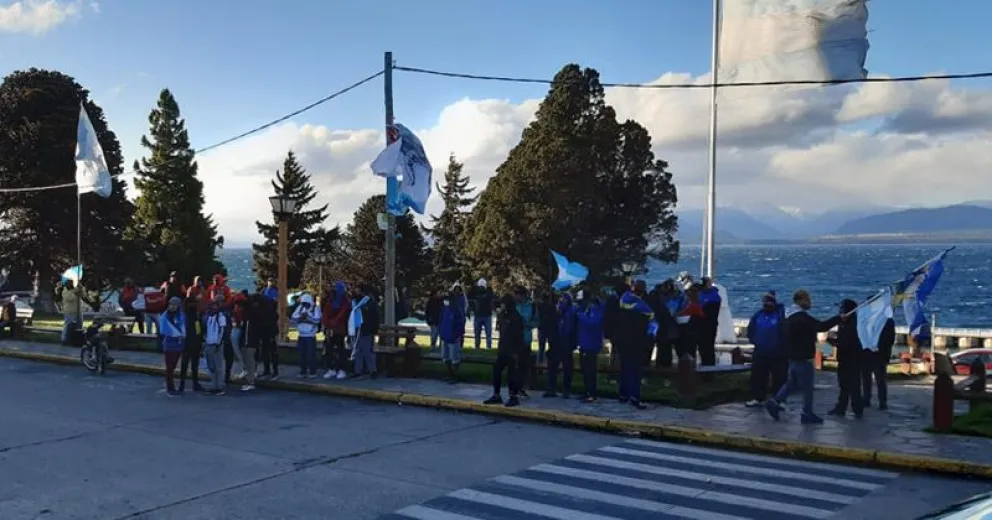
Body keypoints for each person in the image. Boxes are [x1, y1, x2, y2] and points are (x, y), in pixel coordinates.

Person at [765, 289, 841, 424]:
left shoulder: (787, 316)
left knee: (791, 383)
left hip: (792, 356)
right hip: (803, 356)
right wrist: (839, 318)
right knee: (807, 388)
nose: (810, 303)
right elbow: (821, 326)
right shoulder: (802, 318)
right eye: (808, 300)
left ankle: (775, 401)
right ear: (801, 300)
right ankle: (807, 413)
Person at [615, 281, 655, 410]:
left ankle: (623, 394)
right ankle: (634, 397)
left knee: (625, 367)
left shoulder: (622, 301)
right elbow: (652, 325)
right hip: (637, 341)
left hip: (622, 339)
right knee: (635, 370)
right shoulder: (644, 308)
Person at [745, 292, 787, 407]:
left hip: (778, 352)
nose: (766, 304)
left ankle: (779, 400)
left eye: (768, 302)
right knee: (758, 376)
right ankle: (758, 398)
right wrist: (755, 341)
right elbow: (750, 329)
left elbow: (785, 332)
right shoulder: (758, 315)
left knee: (779, 377)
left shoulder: (780, 315)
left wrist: (782, 346)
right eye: (764, 302)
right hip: (760, 351)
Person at [484, 294, 525, 407]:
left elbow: (518, 336)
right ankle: (497, 394)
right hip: (503, 348)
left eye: (503, 303)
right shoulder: (504, 315)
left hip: (512, 350)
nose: (501, 305)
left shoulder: (515, 317)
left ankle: (513, 396)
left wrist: (516, 352)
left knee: (512, 374)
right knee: (497, 370)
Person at [829, 299, 864, 418]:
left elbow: (846, 342)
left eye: (841, 309)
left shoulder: (852, 324)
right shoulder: (845, 322)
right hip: (845, 358)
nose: (840, 311)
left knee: (852, 385)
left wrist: (831, 340)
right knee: (844, 385)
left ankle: (856, 408)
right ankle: (842, 407)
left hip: (851, 358)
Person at [546, 292, 577, 398]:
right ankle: (551, 388)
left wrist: (573, 343)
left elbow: (574, 328)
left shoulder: (572, 311)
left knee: (567, 367)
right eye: (560, 299)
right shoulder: (555, 310)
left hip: (567, 341)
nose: (561, 301)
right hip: (556, 341)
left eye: (564, 299)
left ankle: (566, 389)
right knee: (552, 366)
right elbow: (550, 324)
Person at [576, 293, 605, 403]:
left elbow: (593, 323)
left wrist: (581, 316)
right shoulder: (588, 311)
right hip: (584, 343)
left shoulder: (597, 312)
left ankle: (592, 393)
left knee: (590, 370)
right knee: (585, 370)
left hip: (591, 345)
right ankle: (587, 391)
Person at [322, 281, 352, 380]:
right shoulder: (330, 300)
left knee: (340, 350)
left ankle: (341, 369)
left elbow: (344, 314)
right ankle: (331, 369)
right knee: (329, 350)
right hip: (330, 328)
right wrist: (328, 324)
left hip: (340, 329)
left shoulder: (345, 302)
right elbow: (325, 313)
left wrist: (334, 322)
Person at [349, 283, 380, 378]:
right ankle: (358, 370)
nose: (356, 291)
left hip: (366, 329)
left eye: (358, 290)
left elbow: (375, 317)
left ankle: (372, 371)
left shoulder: (369, 302)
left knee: (367, 350)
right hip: (356, 328)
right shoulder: (354, 301)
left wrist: (374, 329)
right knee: (357, 350)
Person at [863, 317, 894, 410]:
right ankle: (874, 400)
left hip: (876, 353)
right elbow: (890, 339)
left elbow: (890, 339)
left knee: (876, 379)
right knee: (872, 378)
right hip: (872, 353)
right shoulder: (887, 320)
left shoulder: (886, 320)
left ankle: (875, 400)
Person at [202, 294, 229, 395]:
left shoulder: (220, 316)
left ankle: (220, 386)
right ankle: (214, 385)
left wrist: (218, 342)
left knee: (218, 366)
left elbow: (222, 330)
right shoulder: (208, 316)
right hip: (209, 343)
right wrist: (205, 340)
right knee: (211, 366)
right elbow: (205, 329)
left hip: (216, 344)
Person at [159, 297, 187, 397]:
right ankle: (170, 387)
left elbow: (183, 327)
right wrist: (177, 334)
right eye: (171, 304)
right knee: (169, 367)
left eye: (175, 305)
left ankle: (170, 385)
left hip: (179, 345)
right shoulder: (165, 316)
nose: (172, 306)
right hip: (169, 344)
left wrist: (181, 335)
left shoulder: (181, 316)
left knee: (173, 366)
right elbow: (163, 330)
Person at [515, 286, 539, 397]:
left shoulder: (532, 306)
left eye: (519, 293)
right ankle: (514, 387)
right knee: (514, 365)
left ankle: (521, 387)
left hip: (525, 338)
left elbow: (536, 321)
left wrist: (527, 325)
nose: (517, 296)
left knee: (523, 365)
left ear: (524, 295)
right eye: (516, 293)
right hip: (514, 339)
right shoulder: (514, 305)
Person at [439, 287, 468, 382]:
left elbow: (460, 323)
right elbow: (441, 321)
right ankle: (450, 374)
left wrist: (456, 335)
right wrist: (441, 333)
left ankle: (455, 376)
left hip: (453, 337)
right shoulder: (444, 309)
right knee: (445, 357)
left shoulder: (457, 310)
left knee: (455, 358)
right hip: (445, 337)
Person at [292, 293, 321, 379]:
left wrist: (307, 318)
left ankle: (312, 371)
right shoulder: (300, 308)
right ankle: (303, 371)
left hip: (310, 336)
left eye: (306, 303)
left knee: (310, 354)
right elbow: (294, 318)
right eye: (303, 303)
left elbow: (317, 320)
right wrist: (301, 318)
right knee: (301, 354)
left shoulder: (315, 308)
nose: (304, 305)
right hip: (301, 335)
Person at [235, 292, 257, 391]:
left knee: (249, 363)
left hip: (249, 342)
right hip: (250, 341)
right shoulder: (250, 316)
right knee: (249, 362)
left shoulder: (248, 319)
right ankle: (250, 381)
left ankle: (250, 382)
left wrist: (245, 343)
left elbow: (248, 332)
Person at [698, 277, 721, 366]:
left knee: (708, 348)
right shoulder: (700, 293)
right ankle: (703, 365)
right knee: (701, 348)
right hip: (700, 324)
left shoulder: (714, 296)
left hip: (709, 325)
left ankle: (709, 370)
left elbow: (712, 312)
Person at [258, 292, 280, 380]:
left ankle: (273, 371)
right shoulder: (268, 310)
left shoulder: (268, 311)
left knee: (271, 352)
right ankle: (268, 371)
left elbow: (271, 322)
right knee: (267, 352)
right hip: (267, 333)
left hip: (269, 333)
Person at [469, 279, 495, 349]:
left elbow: (491, 297)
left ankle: (488, 347)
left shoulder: (488, 292)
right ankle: (477, 346)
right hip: (478, 315)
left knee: (488, 334)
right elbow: (470, 296)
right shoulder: (475, 292)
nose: (481, 288)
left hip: (486, 315)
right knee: (477, 333)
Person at [58, 279, 84, 345]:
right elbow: (70, 298)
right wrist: (77, 293)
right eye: (69, 283)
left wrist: (81, 288)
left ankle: (77, 339)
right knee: (68, 326)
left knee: (79, 325)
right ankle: (64, 340)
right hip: (69, 312)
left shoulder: (76, 289)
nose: (70, 284)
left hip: (78, 311)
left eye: (72, 283)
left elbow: (83, 294)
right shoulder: (65, 291)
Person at [536, 290, 557, 366]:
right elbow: (555, 318)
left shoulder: (539, 307)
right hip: (549, 329)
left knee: (541, 348)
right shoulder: (552, 307)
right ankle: (550, 363)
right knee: (550, 348)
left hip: (542, 329)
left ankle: (539, 364)